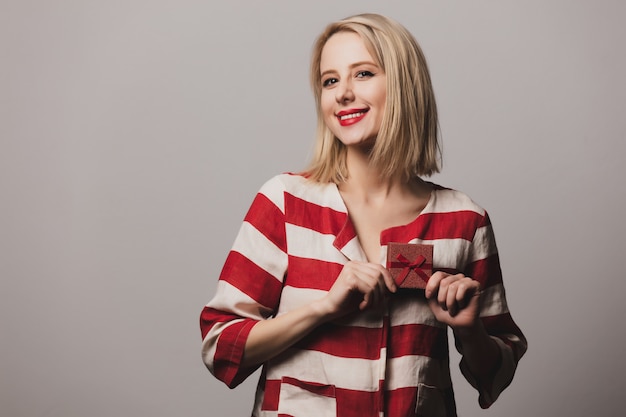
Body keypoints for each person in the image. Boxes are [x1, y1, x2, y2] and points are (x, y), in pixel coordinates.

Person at [200, 13, 527, 417]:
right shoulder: (284, 202)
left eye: (364, 74)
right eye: (330, 80)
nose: (342, 94)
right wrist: (323, 309)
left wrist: (469, 330)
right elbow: (221, 346)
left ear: (404, 85)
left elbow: (496, 372)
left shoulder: (464, 219)